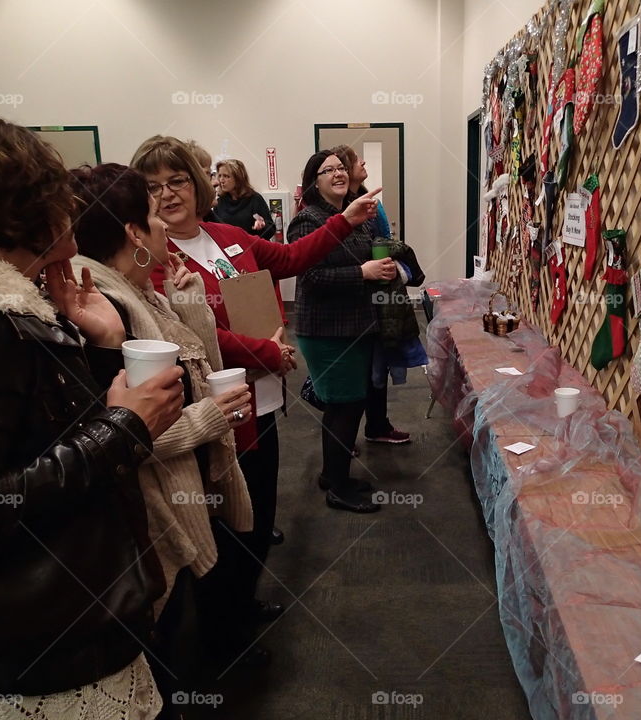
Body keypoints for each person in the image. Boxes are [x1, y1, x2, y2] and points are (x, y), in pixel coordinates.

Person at [0, 115, 185, 719]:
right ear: (18, 208)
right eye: (57, 193)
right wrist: (122, 428)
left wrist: (103, 345)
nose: (72, 207)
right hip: (42, 645)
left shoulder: (8, 303)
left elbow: (42, 435)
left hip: (63, 617)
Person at [130, 135, 380, 653]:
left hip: (260, 402)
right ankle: (222, 627)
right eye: (153, 186)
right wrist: (267, 354)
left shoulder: (226, 234)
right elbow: (190, 335)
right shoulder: (152, 255)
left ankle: (241, 601)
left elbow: (289, 259)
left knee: (260, 514)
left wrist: (345, 220)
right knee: (224, 522)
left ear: (197, 184)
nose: (167, 194)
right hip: (215, 410)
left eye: (176, 180)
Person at [69, 163, 255, 706]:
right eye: (152, 213)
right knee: (167, 642)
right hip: (153, 511)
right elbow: (142, 429)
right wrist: (212, 417)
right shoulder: (110, 303)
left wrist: (191, 301)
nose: (163, 224)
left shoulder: (134, 290)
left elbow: (197, 366)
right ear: (132, 232)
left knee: (180, 631)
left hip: (173, 493)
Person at [288, 150, 398, 513]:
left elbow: (368, 253)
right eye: (327, 170)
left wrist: (383, 264)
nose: (337, 173)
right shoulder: (308, 220)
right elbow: (312, 277)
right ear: (314, 180)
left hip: (355, 323)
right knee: (344, 405)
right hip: (325, 329)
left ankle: (331, 474)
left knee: (347, 404)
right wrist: (362, 273)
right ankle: (338, 488)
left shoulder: (355, 212)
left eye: (340, 168)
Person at [332, 144, 423, 445]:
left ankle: (376, 426)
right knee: (355, 371)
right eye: (356, 160)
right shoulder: (336, 208)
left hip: (376, 294)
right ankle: (344, 442)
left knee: (376, 363)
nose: (362, 162)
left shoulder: (370, 202)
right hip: (350, 297)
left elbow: (384, 240)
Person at [213, 158, 276, 240]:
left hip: (252, 248)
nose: (221, 180)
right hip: (229, 249)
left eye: (226, 176)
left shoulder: (255, 199)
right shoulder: (220, 202)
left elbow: (271, 229)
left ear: (238, 178)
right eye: (220, 176)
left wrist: (262, 226)